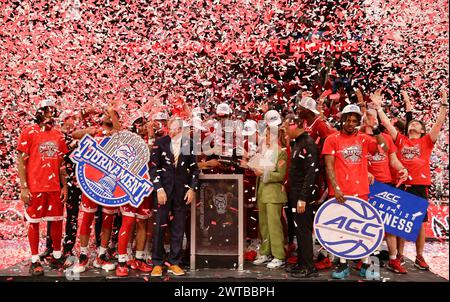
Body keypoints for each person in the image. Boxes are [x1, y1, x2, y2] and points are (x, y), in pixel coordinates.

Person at [372, 88, 448, 271]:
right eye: (411, 122)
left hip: (419, 184)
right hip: (401, 183)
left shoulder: (427, 141)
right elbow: (388, 126)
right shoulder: (401, 140)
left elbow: (438, 124)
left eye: (416, 123)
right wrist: (378, 108)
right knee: (399, 221)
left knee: (420, 223)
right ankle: (399, 255)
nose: (413, 124)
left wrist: (444, 105)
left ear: (422, 130)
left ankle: (419, 256)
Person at [322, 104, 387, 280]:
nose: (350, 123)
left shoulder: (365, 139)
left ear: (358, 122)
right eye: (347, 119)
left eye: (354, 120)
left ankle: (366, 265)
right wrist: (335, 188)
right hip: (340, 193)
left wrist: (375, 127)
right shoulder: (332, 139)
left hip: (361, 192)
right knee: (341, 232)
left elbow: (384, 147)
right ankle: (343, 266)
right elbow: (329, 167)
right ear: (341, 120)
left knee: (362, 231)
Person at [17, 99, 69, 276]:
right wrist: (24, 188)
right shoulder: (28, 133)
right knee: (34, 223)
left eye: (52, 112)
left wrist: (64, 186)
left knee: (56, 220)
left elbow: (61, 164)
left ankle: (56, 256)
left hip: (54, 187)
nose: (50, 115)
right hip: (35, 187)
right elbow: (21, 163)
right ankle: (34, 260)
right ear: (39, 113)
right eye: (47, 112)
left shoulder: (58, 135)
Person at [71, 103, 121, 273]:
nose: (107, 115)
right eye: (106, 113)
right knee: (87, 219)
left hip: (110, 184)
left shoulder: (117, 134)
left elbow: (119, 131)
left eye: (111, 114)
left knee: (108, 220)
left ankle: (102, 255)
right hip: (91, 183)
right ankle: (83, 257)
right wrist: (91, 130)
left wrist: (112, 111)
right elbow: (74, 134)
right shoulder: (94, 131)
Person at [149, 118, 199, 277]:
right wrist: (158, 189)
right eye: (170, 128)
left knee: (178, 228)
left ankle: (174, 262)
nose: (172, 131)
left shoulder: (189, 144)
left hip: (181, 192)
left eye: (176, 129)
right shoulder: (160, 142)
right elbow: (153, 168)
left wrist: (192, 188)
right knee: (159, 227)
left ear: (182, 129)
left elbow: (194, 169)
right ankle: (157, 262)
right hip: (163, 192)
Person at [361, 108, 409, 274]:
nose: (371, 118)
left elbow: (393, 160)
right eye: (368, 115)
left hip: (386, 184)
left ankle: (393, 259)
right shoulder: (358, 138)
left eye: (373, 116)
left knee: (389, 225)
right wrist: (364, 172)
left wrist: (402, 169)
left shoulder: (386, 138)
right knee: (366, 224)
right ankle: (364, 259)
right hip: (365, 186)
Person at [282, 114, 320, 278]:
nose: (284, 129)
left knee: (303, 230)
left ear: (294, 125)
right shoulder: (297, 142)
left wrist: (303, 198)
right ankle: (302, 263)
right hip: (295, 193)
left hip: (302, 196)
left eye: (286, 126)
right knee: (298, 230)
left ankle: (309, 267)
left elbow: (311, 174)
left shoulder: (308, 143)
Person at [115, 115, 154, 277]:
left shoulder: (155, 140)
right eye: (142, 124)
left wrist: (152, 135)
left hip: (146, 188)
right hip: (129, 186)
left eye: (146, 124)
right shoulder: (129, 140)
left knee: (142, 224)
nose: (145, 127)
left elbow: (153, 156)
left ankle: (139, 259)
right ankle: (122, 261)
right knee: (128, 221)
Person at [251, 110, 288, 269]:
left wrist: (263, 172)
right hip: (262, 193)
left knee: (274, 226)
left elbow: (280, 175)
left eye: (267, 136)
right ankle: (266, 252)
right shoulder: (265, 152)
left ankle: (279, 255)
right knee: (264, 226)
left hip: (274, 194)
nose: (264, 138)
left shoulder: (282, 153)